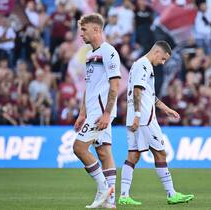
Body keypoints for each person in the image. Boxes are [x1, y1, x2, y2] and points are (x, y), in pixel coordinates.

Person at [118, 41, 195, 205]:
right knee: (160, 153)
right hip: (144, 118)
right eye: (164, 59)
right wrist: (139, 115)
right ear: (157, 52)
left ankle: (124, 196)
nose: (163, 62)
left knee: (133, 154)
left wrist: (166, 109)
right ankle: (171, 194)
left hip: (136, 116)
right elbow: (137, 91)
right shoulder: (144, 65)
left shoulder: (140, 65)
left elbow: (148, 95)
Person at [73, 13, 121, 209]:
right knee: (103, 151)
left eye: (84, 30)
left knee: (79, 148)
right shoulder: (91, 54)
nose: (81, 34)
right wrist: (82, 113)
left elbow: (115, 85)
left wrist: (107, 113)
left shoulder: (109, 52)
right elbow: (89, 86)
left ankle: (103, 188)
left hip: (101, 112)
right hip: (92, 111)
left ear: (96, 30)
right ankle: (110, 201)